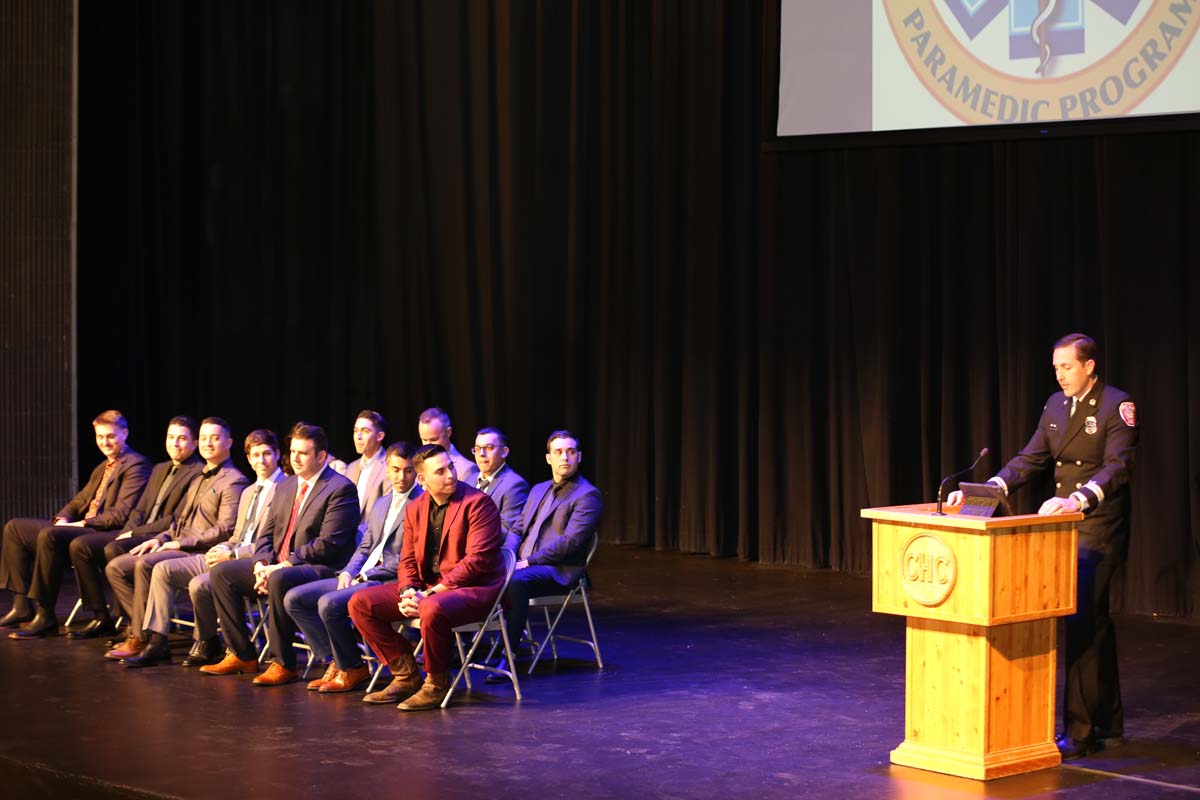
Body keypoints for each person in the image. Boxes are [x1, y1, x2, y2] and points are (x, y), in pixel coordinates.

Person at [948, 333, 1138, 760]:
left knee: (1084, 625)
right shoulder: (1055, 405)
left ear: (1089, 366)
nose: (1060, 374)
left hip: (1097, 527)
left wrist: (1078, 499)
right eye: (1056, 367)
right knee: (1093, 624)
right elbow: (1031, 458)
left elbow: (1117, 468)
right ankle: (1109, 723)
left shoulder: (1116, 406)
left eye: (1067, 367)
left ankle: (1082, 732)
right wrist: (986, 491)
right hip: (1060, 530)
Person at [348, 444, 504, 710]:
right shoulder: (415, 508)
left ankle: (437, 683)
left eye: (451, 467)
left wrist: (429, 594)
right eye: (440, 471)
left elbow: (477, 562)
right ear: (422, 479)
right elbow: (407, 559)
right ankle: (406, 674)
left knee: (431, 608)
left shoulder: (478, 503)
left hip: (474, 589)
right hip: (427, 589)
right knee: (359, 603)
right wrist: (408, 590)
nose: (451, 475)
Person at [201, 423, 358, 685]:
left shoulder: (340, 488)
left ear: (321, 456)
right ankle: (242, 653)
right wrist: (261, 564)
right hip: (278, 566)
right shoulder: (285, 487)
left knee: (279, 579)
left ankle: (282, 662)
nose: (294, 458)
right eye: (293, 451)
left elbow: (329, 544)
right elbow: (266, 534)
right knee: (221, 573)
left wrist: (283, 565)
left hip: (321, 567)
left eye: (303, 453)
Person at [105, 418, 249, 665]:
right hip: (179, 544)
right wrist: (161, 538)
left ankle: (151, 640)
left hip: (200, 550)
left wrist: (180, 544)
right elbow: (179, 522)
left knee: (147, 565)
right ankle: (143, 629)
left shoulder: (233, 480)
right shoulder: (199, 477)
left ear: (229, 442)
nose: (207, 443)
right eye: (203, 438)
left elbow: (225, 529)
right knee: (116, 567)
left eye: (214, 438)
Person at [136, 429, 285, 668]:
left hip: (256, 562)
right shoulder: (249, 492)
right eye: (255, 455)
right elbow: (237, 534)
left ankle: (207, 641)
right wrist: (223, 548)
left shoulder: (286, 489)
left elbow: (275, 542)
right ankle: (157, 640)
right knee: (163, 569)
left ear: (277, 454)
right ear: (248, 458)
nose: (261, 460)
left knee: (200, 584)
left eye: (266, 454)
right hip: (230, 554)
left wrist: (233, 554)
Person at [282, 441, 422, 693]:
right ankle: (336, 660)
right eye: (396, 469)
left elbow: (406, 558)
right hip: (360, 574)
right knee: (295, 599)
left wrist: (365, 574)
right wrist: (348, 571)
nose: (402, 476)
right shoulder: (381, 503)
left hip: (386, 580)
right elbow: (365, 546)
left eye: (408, 470)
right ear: (387, 469)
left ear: (417, 471)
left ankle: (352, 666)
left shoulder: (421, 504)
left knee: (328, 603)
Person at [1, 410, 151, 639]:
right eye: (100, 437)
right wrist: (63, 518)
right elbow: (80, 500)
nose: (105, 442)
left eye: (110, 436)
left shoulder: (136, 465)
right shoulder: (103, 467)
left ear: (125, 433)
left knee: (50, 536)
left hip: (105, 531)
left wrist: (81, 523)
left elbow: (120, 514)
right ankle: (22, 605)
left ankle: (46, 613)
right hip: (83, 526)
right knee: (14, 528)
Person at [64, 415, 203, 639]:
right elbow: (139, 510)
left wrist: (134, 534)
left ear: (195, 443)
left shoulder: (198, 471)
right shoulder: (160, 468)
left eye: (181, 439)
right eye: (170, 437)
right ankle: (106, 617)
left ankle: (136, 625)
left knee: (113, 550)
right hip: (140, 532)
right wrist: (123, 534)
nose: (174, 444)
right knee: (88, 546)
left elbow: (176, 519)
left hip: (161, 536)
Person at [503, 430, 603, 653]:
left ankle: (508, 652)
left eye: (570, 451)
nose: (565, 457)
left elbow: (571, 543)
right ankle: (476, 643)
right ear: (549, 458)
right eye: (558, 452)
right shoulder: (539, 489)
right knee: (487, 574)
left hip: (558, 570)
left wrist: (528, 562)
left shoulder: (587, 495)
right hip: (523, 564)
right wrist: (509, 558)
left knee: (514, 582)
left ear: (579, 456)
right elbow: (517, 528)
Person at [471, 426, 528, 538]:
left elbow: (507, 531)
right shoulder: (470, 479)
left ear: (504, 452)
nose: (481, 454)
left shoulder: (515, 485)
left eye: (489, 447)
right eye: (477, 449)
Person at [345, 410, 390, 529]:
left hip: (372, 537)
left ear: (380, 436)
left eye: (365, 431)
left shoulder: (389, 466)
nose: (358, 436)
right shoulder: (351, 467)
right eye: (356, 431)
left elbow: (387, 513)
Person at [418, 407, 478, 483]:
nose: (428, 445)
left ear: (448, 432)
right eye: (424, 440)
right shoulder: (418, 466)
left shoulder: (466, 470)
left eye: (434, 439)